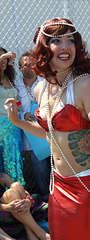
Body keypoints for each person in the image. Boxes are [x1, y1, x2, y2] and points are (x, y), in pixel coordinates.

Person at [5, 18, 90, 240]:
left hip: (89, 182)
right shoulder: (40, 88)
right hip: (59, 184)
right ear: (44, 47)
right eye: (56, 40)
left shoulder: (85, 84)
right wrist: (17, 121)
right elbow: (50, 134)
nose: (65, 46)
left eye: (70, 40)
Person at [15, 51, 51, 201]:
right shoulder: (15, 86)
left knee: (57, 163)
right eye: (26, 64)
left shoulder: (45, 82)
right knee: (40, 168)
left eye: (33, 64)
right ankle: (46, 199)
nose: (31, 67)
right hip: (32, 134)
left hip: (49, 128)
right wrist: (22, 115)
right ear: (20, 68)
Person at [0, 47, 25, 185]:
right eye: (1, 58)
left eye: (6, 58)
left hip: (14, 124)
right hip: (1, 125)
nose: (4, 60)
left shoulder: (9, 78)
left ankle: (20, 191)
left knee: (15, 158)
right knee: (5, 161)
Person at [0, 172, 50, 240]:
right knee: (10, 194)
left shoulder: (3, 177)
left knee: (16, 185)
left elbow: (25, 193)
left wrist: (28, 201)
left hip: (18, 211)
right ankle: (41, 234)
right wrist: (7, 207)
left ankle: (28, 230)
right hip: (4, 218)